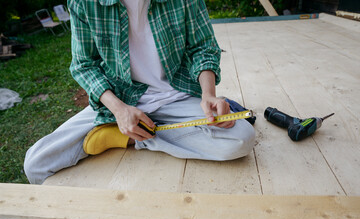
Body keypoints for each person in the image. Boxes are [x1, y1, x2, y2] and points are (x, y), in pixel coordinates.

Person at [24, 0, 255, 184]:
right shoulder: (84, 2)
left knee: (241, 139)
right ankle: (124, 129)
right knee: (36, 163)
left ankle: (129, 138)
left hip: (177, 95)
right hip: (121, 100)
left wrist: (208, 94)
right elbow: (83, 65)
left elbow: (203, 47)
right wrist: (119, 110)